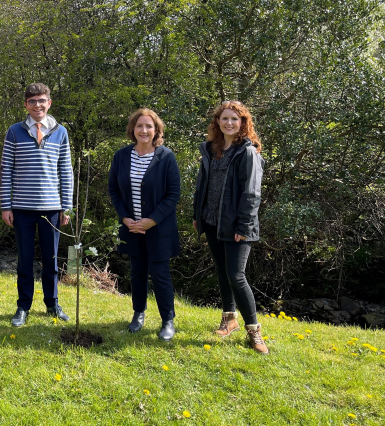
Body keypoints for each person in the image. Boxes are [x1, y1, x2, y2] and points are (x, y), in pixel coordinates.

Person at [192, 100, 268, 354]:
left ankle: (254, 331)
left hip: (237, 224)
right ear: (217, 122)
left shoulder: (248, 151)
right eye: (224, 119)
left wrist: (244, 225)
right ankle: (229, 318)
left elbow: (252, 192)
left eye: (235, 119)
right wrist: (198, 214)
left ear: (243, 123)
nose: (229, 123)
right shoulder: (210, 149)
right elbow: (202, 184)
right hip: (212, 220)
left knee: (236, 275)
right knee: (222, 271)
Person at [0, 82, 73, 327]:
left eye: (41, 100)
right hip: (21, 209)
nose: (37, 105)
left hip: (52, 210)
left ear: (49, 103)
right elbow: (5, 170)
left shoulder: (60, 132)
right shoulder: (14, 131)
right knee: (24, 260)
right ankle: (23, 307)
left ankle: (52, 304)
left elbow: (66, 171)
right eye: (32, 101)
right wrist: (5, 206)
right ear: (26, 105)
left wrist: (67, 206)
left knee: (52, 261)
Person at [108, 108, 181, 341]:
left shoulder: (166, 157)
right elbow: (114, 190)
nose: (144, 130)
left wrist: (152, 220)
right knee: (137, 273)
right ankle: (138, 314)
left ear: (156, 130)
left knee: (160, 275)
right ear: (133, 129)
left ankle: (167, 320)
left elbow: (173, 194)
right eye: (140, 125)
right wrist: (124, 217)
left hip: (158, 229)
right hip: (132, 228)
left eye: (149, 126)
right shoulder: (121, 156)